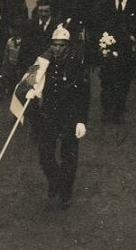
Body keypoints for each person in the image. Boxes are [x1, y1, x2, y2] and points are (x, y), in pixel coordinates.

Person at [26, 25, 90, 208]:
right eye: (54, 44)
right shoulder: (45, 61)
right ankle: (55, 181)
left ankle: (65, 192)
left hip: (69, 115)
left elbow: (83, 94)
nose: (57, 49)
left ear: (67, 46)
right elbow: (33, 78)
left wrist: (81, 121)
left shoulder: (76, 64)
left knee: (68, 156)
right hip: (49, 113)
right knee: (45, 155)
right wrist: (31, 90)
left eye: (61, 45)